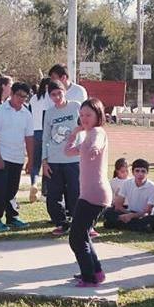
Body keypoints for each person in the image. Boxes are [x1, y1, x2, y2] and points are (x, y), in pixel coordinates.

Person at [65, 98, 112, 287]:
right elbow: (67, 152)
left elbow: (97, 144)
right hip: (90, 194)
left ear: (98, 116)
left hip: (95, 194)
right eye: (82, 115)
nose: (84, 118)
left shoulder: (97, 132)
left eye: (88, 115)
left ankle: (89, 278)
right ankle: (96, 272)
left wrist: (93, 149)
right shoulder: (86, 134)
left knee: (76, 238)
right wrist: (75, 132)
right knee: (81, 235)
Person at [0, 81, 34, 231]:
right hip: (1, 157)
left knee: (12, 190)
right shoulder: (1, 111)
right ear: (12, 94)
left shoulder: (26, 113)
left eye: (25, 97)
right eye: (19, 95)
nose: (21, 99)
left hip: (17, 157)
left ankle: (12, 217)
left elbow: (29, 138)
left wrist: (30, 160)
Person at [42, 80, 81, 237]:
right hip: (54, 160)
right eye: (53, 94)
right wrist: (44, 161)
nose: (57, 97)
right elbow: (45, 138)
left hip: (74, 160)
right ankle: (61, 223)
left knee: (75, 193)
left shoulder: (76, 106)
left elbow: (87, 126)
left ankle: (78, 223)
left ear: (65, 91)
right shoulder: (49, 112)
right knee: (53, 195)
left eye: (59, 93)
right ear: (49, 96)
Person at [103, 159, 154, 232]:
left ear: (147, 173)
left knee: (150, 221)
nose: (140, 174)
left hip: (143, 216)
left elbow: (147, 211)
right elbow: (118, 205)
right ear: (133, 172)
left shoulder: (153, 187)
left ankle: (119, 224)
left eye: (143, 171)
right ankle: (132, 225)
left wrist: (131, 216)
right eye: (137, 171)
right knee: (108, 212)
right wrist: (128, 214)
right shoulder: (127, 183)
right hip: (129, 211)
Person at [29, 78, 50, 203]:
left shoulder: (33, 98)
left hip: (34, 132)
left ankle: (34, 183)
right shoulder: (50, 99)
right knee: (47, 163)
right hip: (45, 132)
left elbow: (30, 113)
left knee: (35, 163)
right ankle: (44, 192)